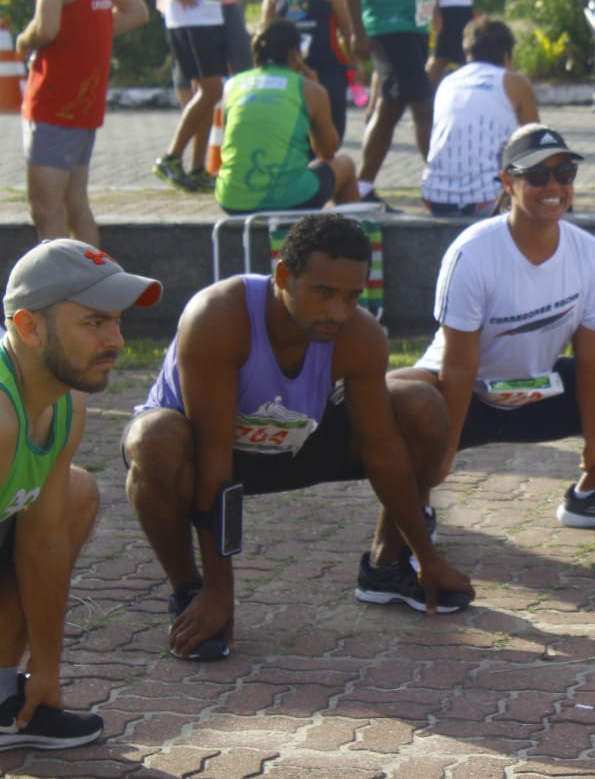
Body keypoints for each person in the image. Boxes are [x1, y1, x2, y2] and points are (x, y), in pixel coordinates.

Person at [123, 214, 474, 662]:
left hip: (291, 445)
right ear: (283, 276)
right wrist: (219, 589)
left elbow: (383, 451)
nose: (338, 312)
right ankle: (190, 592)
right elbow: (213, 459)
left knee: (419, 404)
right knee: (155, 439)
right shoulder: (218, 317)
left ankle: (389, 565)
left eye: (352, 297)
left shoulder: (358, 334)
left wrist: (427, 556)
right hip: (206, 455)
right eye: (323, 293)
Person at [392, 123, 595, 531]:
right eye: (538, 176)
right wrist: (448, 447)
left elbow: (591, 361)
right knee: (398, 394)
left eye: (565, 175)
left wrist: (594, 439)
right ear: (508, 182)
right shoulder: (471, 253)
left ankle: (590, 495)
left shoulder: (590, 253)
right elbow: (457, 366)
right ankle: (416, 512)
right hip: (461, 393)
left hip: (536, 390)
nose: (554, 186)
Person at [1, 239, 162, 750]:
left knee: (74, 494)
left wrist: (45, 672)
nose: (115, 340)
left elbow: (43, 544)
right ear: (29, 327)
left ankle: (7, 699)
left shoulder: (66, 403)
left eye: (116, 321)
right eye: (94, 323)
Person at [15, 0, 148, 245]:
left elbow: (46, 29)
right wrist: (85, 32)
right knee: (76, 206)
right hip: (85, 99)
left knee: (46, 210)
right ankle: (91, 292)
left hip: (54, 97)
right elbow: (137, 12)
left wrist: (22, 42)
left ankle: (61, 293)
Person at [340, 0, 475, 205]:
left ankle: (362, 187)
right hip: (387, 23)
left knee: (390, 106)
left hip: (416, 22)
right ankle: (448, 187)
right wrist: (356, 32)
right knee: (423, 103)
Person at [123, 0, 230, 192]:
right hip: (190, 20)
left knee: (206, 95)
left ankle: (196, 169)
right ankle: (170, 158)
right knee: (211, 90)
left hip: (209, 16)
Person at [214, 20, 359, 214]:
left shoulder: (232, 85)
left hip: (232, 198)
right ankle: (349, 238)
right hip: (291, 198)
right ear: (295, 54)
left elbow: (231, 143)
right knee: (346, 164)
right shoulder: (310, 89)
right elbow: (327, 152)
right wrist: (316, 87)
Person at [420, 16, 538, 216]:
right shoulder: (514, 82)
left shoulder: (447, 82)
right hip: (487, 199)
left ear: (468, 54)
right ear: (507, 57)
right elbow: (535, 142)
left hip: (434, 196)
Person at [262, 0, 357, 143]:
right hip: (287, 70)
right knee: (293, 133)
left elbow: (346, 28)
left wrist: (355, 64)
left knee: (331, 132)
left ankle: (327, 171)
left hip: (326, 67)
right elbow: (263, 32)